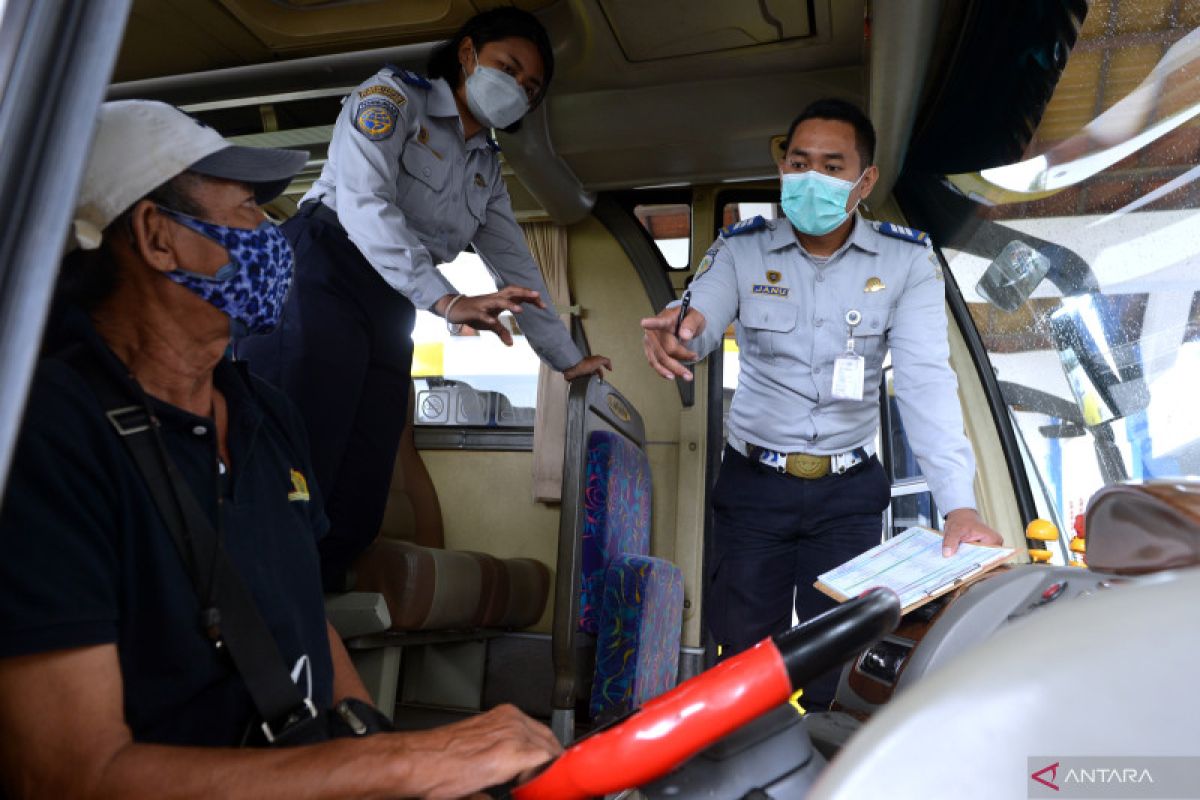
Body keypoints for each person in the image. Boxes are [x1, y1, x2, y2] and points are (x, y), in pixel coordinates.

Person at [0, 99, 559, 799]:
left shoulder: (266, 413)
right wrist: (405, 763)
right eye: (245, 215)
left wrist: (374, 742)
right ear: (157, 236)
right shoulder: (45, 436)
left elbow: (299, 614)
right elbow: (71, 776)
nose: (273, 236)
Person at [640, 98, 1004, 707]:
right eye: (799, 162)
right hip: (754, 487)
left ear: (864, 182)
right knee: (744, 660)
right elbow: (700, 313)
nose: (812, 178)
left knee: (840, 660)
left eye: (832, 167)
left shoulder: (907, 261)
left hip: (848, 496)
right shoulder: (739, 249)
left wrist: (958, 505)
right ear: (783, 167)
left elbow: (923, 381)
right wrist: (684, 331)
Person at [237, 7, 611, 590]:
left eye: (530, 87)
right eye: (507, 69)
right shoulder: (392, 98)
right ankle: (250, 607)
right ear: (466, 56)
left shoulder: (484, 166)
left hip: (390, 298)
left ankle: (313, 612)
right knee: (297, 458)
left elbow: (517, 266)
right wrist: (446, 301)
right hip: (322, 267)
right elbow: (364, 205)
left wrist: (567, 359)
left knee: (361, 483)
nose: (516, 90)